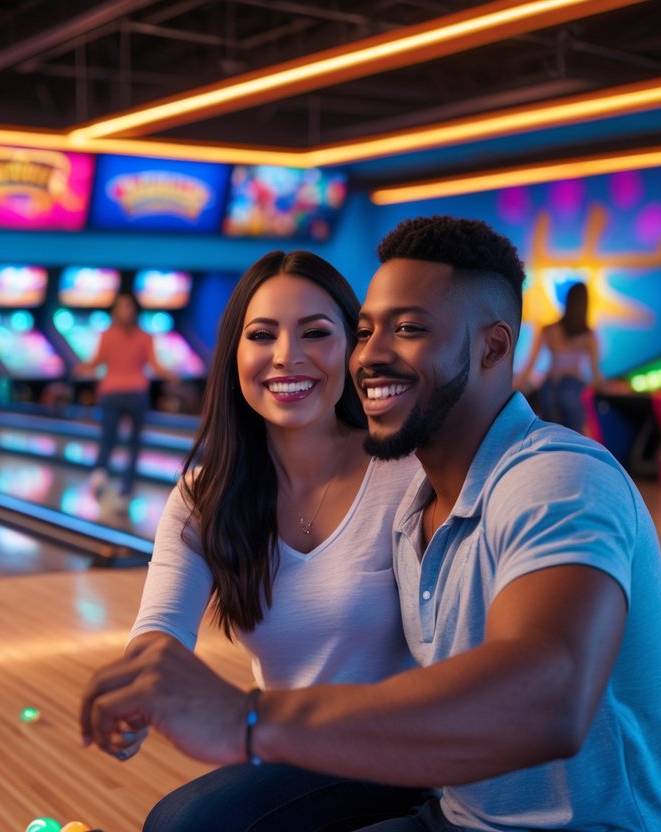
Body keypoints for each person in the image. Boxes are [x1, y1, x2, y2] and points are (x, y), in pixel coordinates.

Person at [80, 216, 661, 831]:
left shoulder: (556, 477)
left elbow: (548, 697)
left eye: (408, 329)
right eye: (368, 331)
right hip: (454, 813)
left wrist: (248, 719)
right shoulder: (420, 509)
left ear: (493, 345)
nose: (371, 355)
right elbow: (163, 622)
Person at [122, 250, 425, 831]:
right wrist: (141, 686)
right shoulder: (204, 496)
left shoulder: (409, 474)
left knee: (185, 824)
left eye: (316, 332)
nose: (288, 356)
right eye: (263, 335)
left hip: (406, 746)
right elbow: (161, 625)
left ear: (354, 349)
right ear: (235, 353)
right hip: (294, 750)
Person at [75, 292, 175, 505]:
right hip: (121, 394)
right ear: (114, 312)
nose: (125, 311)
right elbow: (98, 361)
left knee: (118, 440)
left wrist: (82, 368)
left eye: (128, 307)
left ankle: (115, 483)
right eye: (121, 307)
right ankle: (112, 482)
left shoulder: (132, 336)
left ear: (135, 311)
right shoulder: (115, 335)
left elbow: (96, 363)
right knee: (120, 440)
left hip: (126, 393)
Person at [514, 282, 603, 432]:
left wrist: (514, 388)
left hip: (549, 388)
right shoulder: (588, 336)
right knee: (574, 439)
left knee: (552, 437)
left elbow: (530, 364)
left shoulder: (549, 329)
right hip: (573, 388)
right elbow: (596, 376)